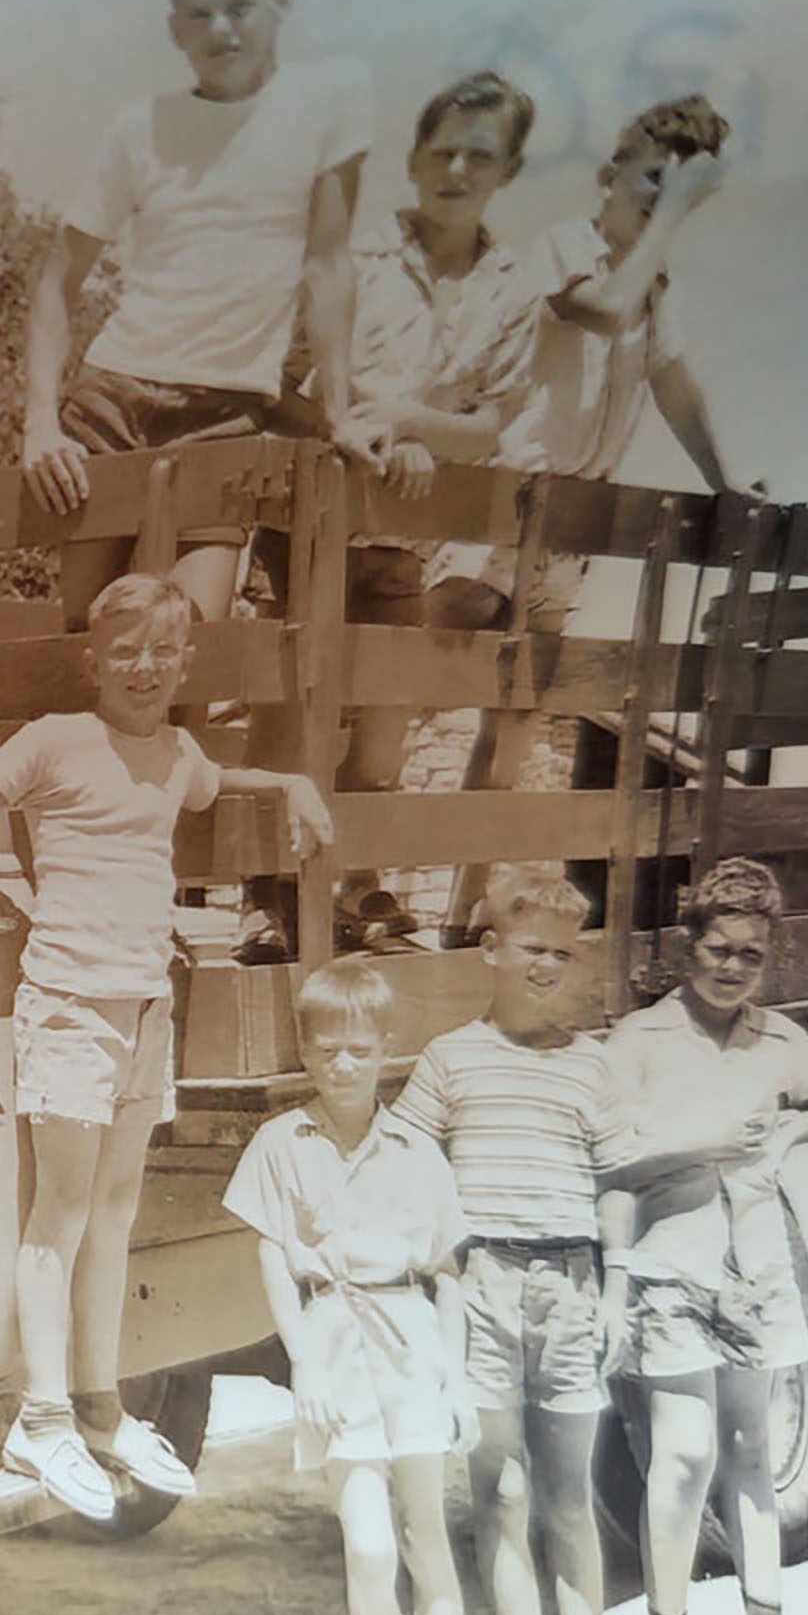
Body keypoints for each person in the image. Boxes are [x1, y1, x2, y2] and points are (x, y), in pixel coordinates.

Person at [0, 572, 332, 1520]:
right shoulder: (56, 743)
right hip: (68, 1005)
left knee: (115, 1216)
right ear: (94, 661)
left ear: (185, 661)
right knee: (58, 1219)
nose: (144, 669)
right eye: (125, 653)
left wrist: (293, 782)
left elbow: (215, 782)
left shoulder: (180, 754)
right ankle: (40, 1419)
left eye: (163, 651)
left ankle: (102, 1408)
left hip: (145, 1007)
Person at [438, 93, 742, 943]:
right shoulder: (566, 250)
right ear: (609, 175)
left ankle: (462, 920)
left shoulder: (655, 286)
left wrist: (723, 482)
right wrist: (676, 213)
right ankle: (352, 892)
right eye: (649, 182)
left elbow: (672, 383)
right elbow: (602, 309)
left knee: (510, 735)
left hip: (567, 533)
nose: (656, 202)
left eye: (672, 191)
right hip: (498, 504)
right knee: (411, 687)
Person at [253, 70, 542, 959]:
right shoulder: (352, 259)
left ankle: (354, 894)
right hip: (304, 524)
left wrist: (409, 426)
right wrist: (356, 432)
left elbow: (490, 424)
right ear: (413, 158)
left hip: (398, 545)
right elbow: (275, 380)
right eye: (440, 149)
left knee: (379, 734)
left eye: (479, 155)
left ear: (510, 170)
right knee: (287, 718)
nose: (456, 168)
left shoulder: (511, 292)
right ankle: (264, 902)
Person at [22, 0, 386, 633]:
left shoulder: (330, 101)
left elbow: (329, 264)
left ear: (280, 5)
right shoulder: (139, 128)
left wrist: (337, 416)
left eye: (240, 5)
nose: (220, 28)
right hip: (113, 399)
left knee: (192, 638)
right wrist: (40, 424)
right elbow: (58, 279)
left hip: (222, 415)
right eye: (198, 13)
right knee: (86, 633)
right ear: (175, 31)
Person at [391, 871, 652, 1615]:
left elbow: (616, 1184)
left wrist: (617, 1289)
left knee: (570, 1495)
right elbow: (409, 1176)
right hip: (483, 1287)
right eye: (531, 947)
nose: (548, 966)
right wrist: (435, 1293)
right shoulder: (449, 1059)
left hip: (573, 1288)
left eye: (563, 953)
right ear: (491, 951)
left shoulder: (590, 1063)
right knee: (501, 1493)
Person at [223, 960, 489, 1615]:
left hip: (410, 1342)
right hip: (334, 1343)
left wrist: (454, 1378)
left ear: (386, 1052)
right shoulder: (281, 1142)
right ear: (305, 1051)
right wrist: (303, 1359)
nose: (344, 1065)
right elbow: (273, 1255)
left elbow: (446, 1272)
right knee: (369, 1546)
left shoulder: (416, 1148)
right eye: (329, 1048)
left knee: (427, 1539)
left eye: (361, 1050)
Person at [601, 857, 808, 1615]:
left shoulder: (784, 1044)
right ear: (686, 945)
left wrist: (792, 1128)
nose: (731, 967)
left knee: (754, 1456)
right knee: (685, 1458)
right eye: (718, 948)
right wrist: (616, 1275)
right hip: (672, 1267)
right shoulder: (640, 1044)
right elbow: (610, 1169)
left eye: (751, 956)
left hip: (758, 1266)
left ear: (772, 960)